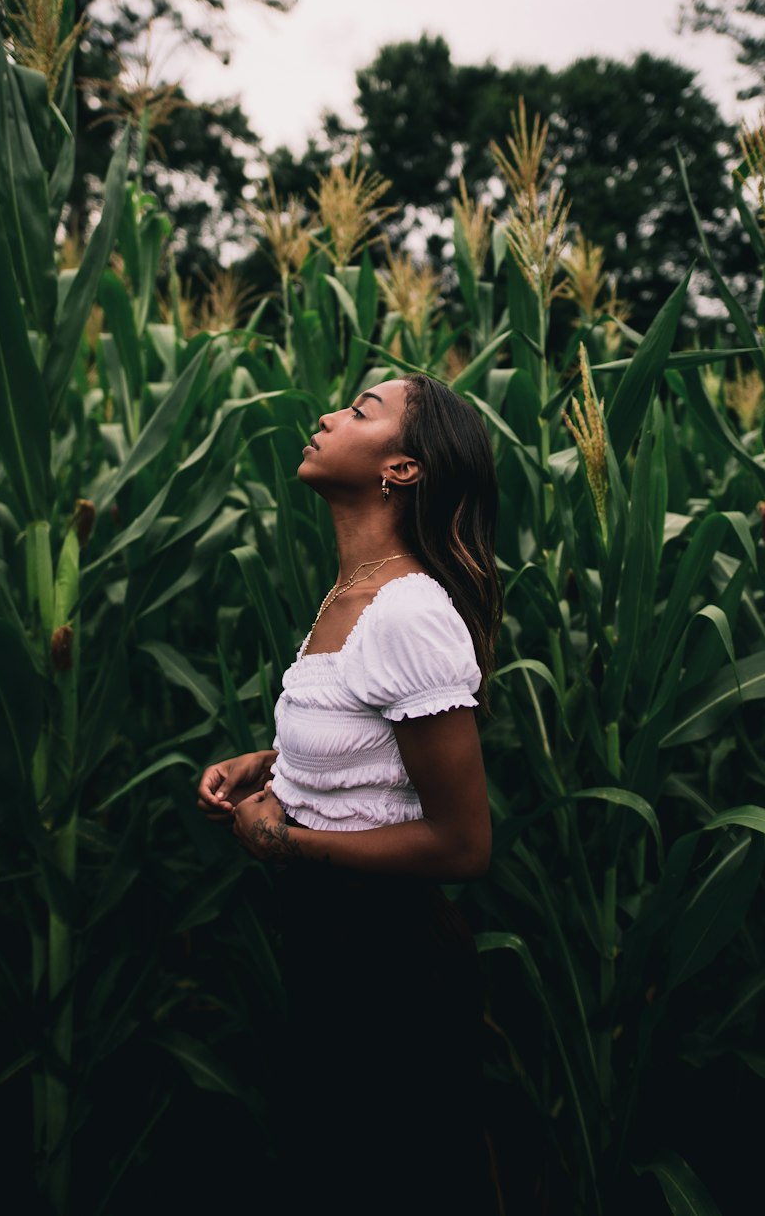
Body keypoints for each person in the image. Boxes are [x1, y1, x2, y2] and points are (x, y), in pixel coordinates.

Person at [196, 373, 502, 1215]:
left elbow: (463, 844)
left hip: (392, 964)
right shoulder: (348, 596)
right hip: (333, 946)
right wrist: (271, 764)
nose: (330, 414)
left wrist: (283, 841)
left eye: (363, 410)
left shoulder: (406, 611)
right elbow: (369, 743)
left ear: (401, 470)